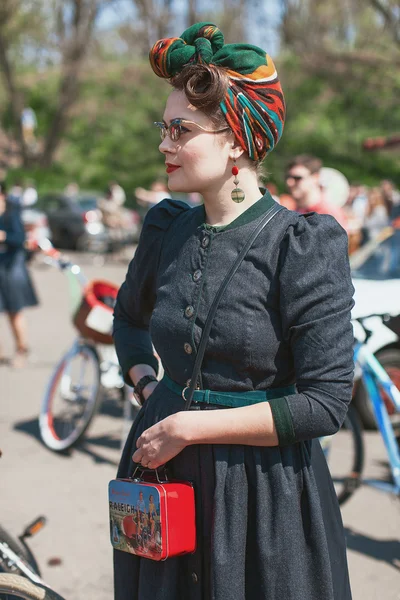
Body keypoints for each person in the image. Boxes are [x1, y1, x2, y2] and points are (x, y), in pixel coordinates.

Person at [113, 22, 354, 600]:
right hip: (161, 478)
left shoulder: (301, 244)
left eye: (181, 129)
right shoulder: (165, 227)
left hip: (262, 496)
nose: (165, 144)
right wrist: (151, 390)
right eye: (163, 127)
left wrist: (191, 426)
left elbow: (325, 403)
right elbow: (129, 320)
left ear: (237, 140)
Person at [0, 182, 38, 367]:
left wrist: (4, 237)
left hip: (11, 267)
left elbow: (20, 239)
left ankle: (21, 348)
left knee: (14, 312)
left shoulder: (11, 211)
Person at [285, 154, 348, 229]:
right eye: (288, 177)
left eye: (297, 178)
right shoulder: (293, 211)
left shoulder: (329, 214)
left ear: (315, 178)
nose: (289, 182)